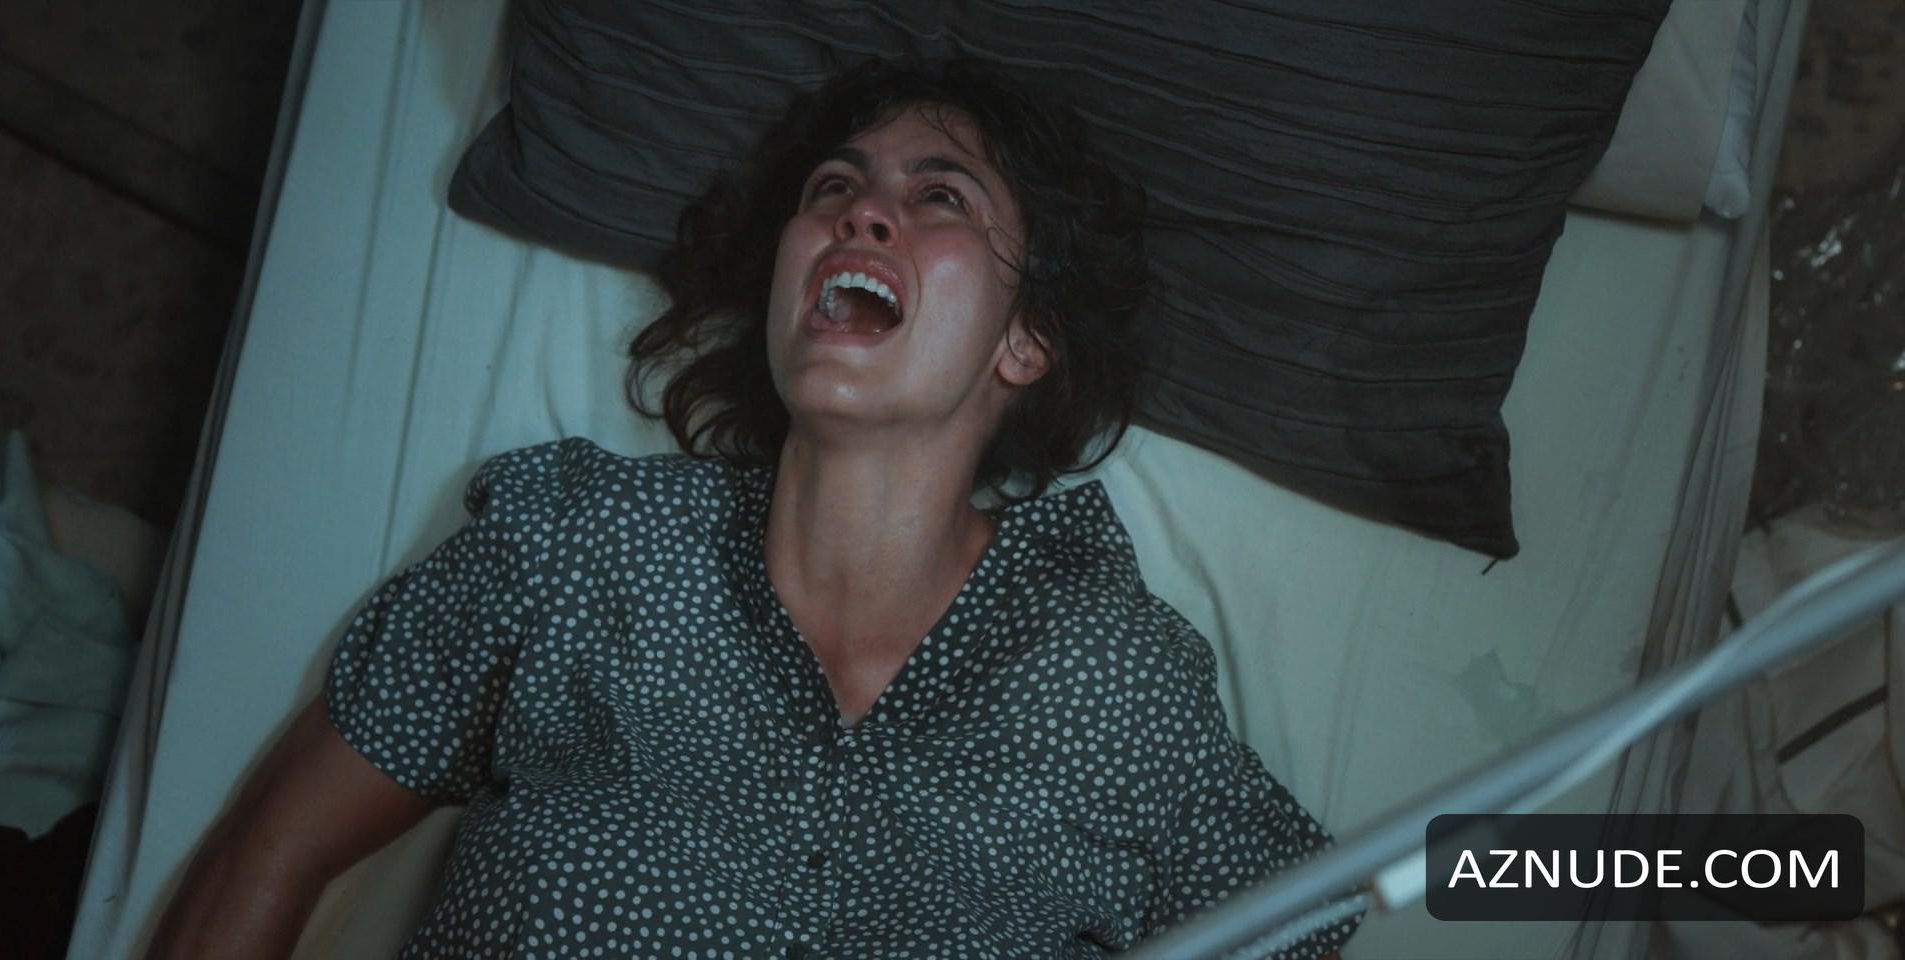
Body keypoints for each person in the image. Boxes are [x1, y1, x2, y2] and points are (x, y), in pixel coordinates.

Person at [147, 58, 1358, 959]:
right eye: (835, 187)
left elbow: (1333, 915)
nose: (861, 212)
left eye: (941, 197)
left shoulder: (1113, 679)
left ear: (1026, 340)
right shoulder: (577, 547)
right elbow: (270, 850)